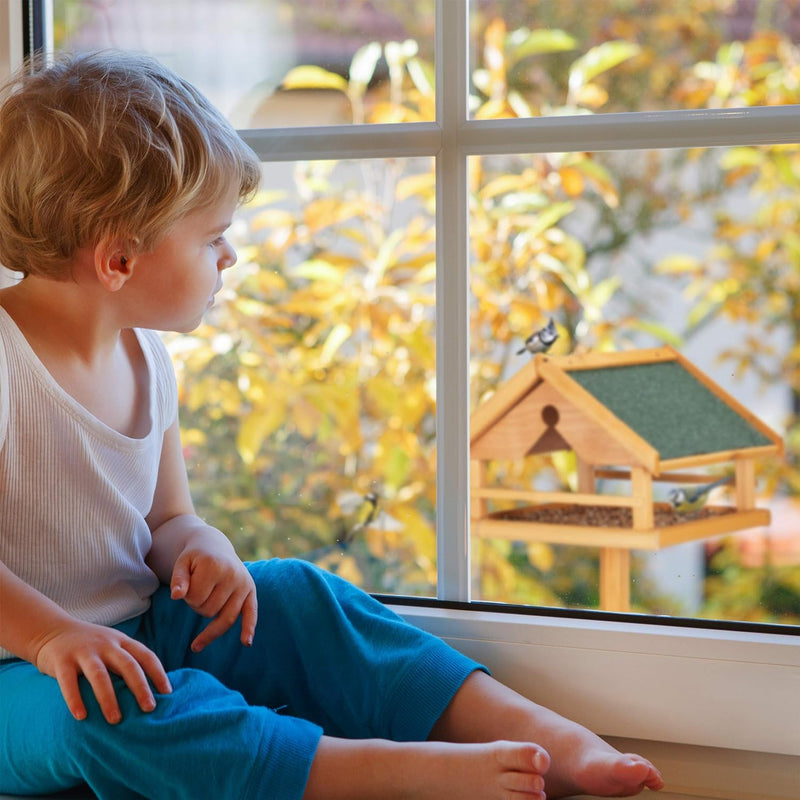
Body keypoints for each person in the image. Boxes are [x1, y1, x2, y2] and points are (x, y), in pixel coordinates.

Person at [0, 51, 664, 800]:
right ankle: (381, 773)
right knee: (106, 712)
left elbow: (165, 517)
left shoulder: (144, 356)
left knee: (294, 596)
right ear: (119, 258)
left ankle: (543, 734)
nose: (232, 253)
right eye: (213, 236)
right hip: (18, 684)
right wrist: (54, 637)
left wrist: (200, 546)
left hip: (135, 635)